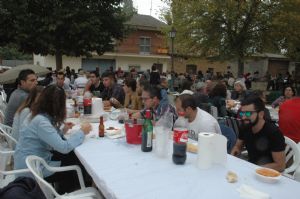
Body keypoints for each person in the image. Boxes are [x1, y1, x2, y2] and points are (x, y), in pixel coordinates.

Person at [14, 85, 92, 193]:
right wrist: (82, 132)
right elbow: (64, 147)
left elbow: (48, 137)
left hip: (32, 160)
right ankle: (73, 192)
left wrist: (64, 129)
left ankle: (70, 189)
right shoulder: (41, 121)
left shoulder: (37, 115)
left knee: (72, 155)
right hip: (34, 170)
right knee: (77, 162)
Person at [231, 96, 286, 172]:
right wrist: (235, 152)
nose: (243, 117)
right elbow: (238, 146)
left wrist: (254, 169)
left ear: (261, 114)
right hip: (251, 168)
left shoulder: (273, 133)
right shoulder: (245, 126)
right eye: (241, 113)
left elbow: (280, 165)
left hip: (268, 173)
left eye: (248, 113)